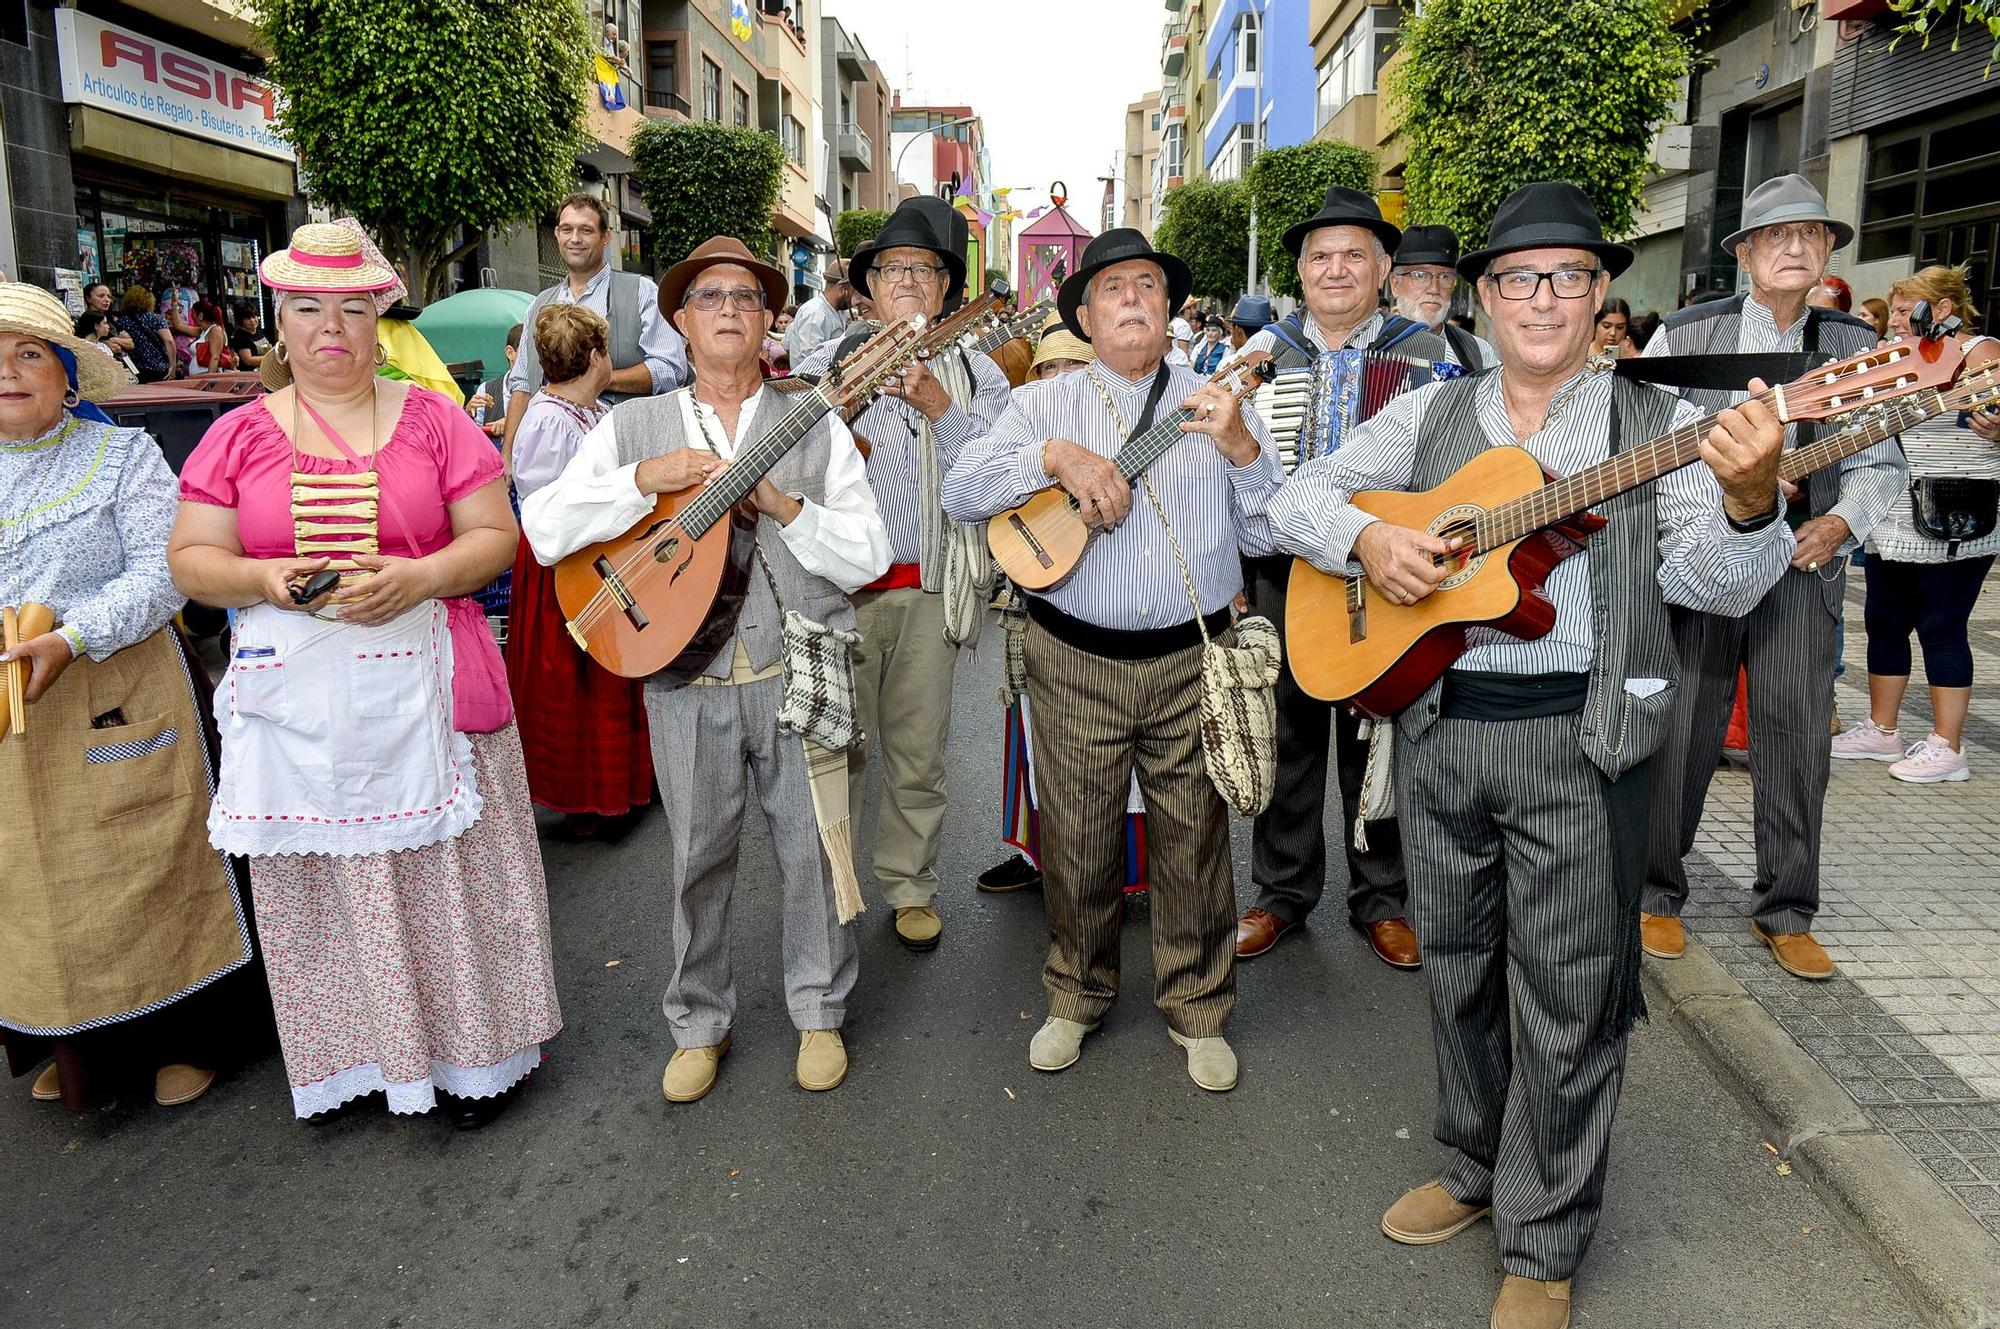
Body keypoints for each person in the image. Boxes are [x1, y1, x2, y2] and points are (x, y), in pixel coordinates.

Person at [1269, 181, 1793, 1329]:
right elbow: (1292, 496)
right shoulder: (1430, 413)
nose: (1540, 298)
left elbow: (1715, 586)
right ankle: (1470, 1164)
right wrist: (1371, 536)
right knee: (1456, 971)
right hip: (1439, 731)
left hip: (1581, 744)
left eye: (1565, 276)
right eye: (1516, 278)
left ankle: (1544, 1236)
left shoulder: (1656, 427)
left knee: (1566, 999)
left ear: (1601, 297)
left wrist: (1751, 502)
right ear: (1483, 297)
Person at [167, 223, 562, 1127]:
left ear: (379, 316)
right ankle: (359, 1060)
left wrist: (421, 575)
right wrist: (262, 578)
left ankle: (477, 1057)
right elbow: (191, 559)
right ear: (280, 317)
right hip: (297, 699)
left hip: (431, 676)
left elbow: (496, 535)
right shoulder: (235, 438)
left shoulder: (437, 420)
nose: (330, 327)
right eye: (307, 307)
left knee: (453, 876)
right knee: (325, 885)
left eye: (351, 307)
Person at [521, 235, 890, 1103]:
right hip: (684, 680)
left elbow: (869, 552)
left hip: (798, 672)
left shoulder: (815, 421)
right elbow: (545, 529)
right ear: (680, 322)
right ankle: (698, 1022)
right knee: (697, 859)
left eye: (747, 297)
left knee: (817, 852)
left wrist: (784, 503)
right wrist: (643, 480)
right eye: (709, 296)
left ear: (770, 321)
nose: (729, 307)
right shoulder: (630, 426)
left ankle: (819, 1011)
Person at [941, 228, 1284, 1093]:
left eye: (1147, 285)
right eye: (1112, 288)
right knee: (1079, 835)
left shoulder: (1221, 405)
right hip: (1073, 659)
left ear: (1169, 310)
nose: (1131, 298)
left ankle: (1199, 1006)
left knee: (1193, 844)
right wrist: (1052, 457)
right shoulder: (1042, 406)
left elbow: (1271, 529)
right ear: (1086, 315)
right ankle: (1078, 994)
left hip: (1189, 659)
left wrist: (1242, 448)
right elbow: (963, 489)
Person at [1639, 174, 1903, 982]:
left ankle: (1787, 909)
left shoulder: (1856, 343)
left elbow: (1883, 453)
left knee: (1795, 739)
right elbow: (1637, 437)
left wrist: (1843, 521)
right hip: (1705, 559)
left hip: (1801, 567)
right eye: (1776, 236)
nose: (1795, 248)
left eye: (1810, 235)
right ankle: (1654, 892)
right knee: (1681, 728)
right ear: (1745, 252)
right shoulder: (1685, 335)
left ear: (1827, 251)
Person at [0, 283, 251, 1111]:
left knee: (144, 867)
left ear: (67, 374)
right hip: (14, 716)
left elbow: (162, 570)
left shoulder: (123, 456)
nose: (9, 371)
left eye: (29, 353)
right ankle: (71, 1038)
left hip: (117, 686)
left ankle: (184, 1038)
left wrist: (71, 636)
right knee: (37, 885)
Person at [1233, 187, 1452, 971]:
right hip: (1281, 570)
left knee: (1380, 729)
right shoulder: (1260, 355)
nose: (1335, 269)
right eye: (1320, 255)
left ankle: (1382, 899)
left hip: (1387, 568)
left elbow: (1448, 465)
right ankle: (1281, 893)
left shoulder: (1428, 353)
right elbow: (1230, 471)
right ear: (1299, 269)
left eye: (1353, 254)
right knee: (1285, 734)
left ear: (1384, 268)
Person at [792, 197, 1012, 951]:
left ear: (948, 287)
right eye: (894, 270)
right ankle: (834, 890)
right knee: (837, 752)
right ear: (868, 286)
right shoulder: (823, 366)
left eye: (925, 270)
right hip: (837, 594)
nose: (910, 282)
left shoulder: (982, 373)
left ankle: (911, 885)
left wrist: (943, 409)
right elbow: (789, 470)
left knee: (919, 755)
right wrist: (839, 422)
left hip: (930, 590)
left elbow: (997, 477)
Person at [978, 313, 1151, 898]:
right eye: (1045, 366)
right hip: (1033, 610)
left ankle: (1130, 870)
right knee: (1034, 738)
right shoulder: (1032, 418)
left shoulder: (1125, 423)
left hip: (1120, 621)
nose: (1055, 375)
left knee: (1123, 761)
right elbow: (980, 491)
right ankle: (1038, 856)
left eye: (1068, 365)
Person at [1833, 265, 2000, 782]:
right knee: (1885, 621)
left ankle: (1949, 746)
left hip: (1957, 511)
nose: (1898, 320)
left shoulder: (1983, 353)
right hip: (1896, 509)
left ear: (1942, 309)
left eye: (1907, 310)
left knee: (1940, 626)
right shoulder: (1903, 355)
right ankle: (1883, 730)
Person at [504, 302, 653, 835]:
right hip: (561, 566)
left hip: (596, 557)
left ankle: (619, 789)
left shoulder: (589, 413)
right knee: (576, 681)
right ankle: (588, 800)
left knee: (609, 671)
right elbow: (548, 509)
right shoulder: (548, 421)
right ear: (595, 357)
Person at [502, 193, 688, 457]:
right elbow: (521, 383)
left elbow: (671, 369)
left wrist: (600, 379)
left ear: (606, 237)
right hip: (548, 456)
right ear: (556, 234)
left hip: (625, 454)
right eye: (567, 229)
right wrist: (508, 453)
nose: (575, 239)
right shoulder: (538, 306)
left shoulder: (641, 292)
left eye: (586, 230)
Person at [1390, 225, 1493, 369]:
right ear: (1395, 284)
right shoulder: (1367, 344)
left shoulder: (1479, 353)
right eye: (1420, 276)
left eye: (1445, 277)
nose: (1434, 289)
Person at [784, 260, 852, 362]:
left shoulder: (839, 311)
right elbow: (813, 358)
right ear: (842, 288)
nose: (856, 299)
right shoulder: (814, 313)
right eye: (853, 291)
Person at [469, 323, 523, 440]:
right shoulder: (486, 390)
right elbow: (476, 440)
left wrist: (513, 423)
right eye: (528, 352)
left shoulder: (543, 389)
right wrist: (468, 416)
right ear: (510, 353)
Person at [115, 286, 176, 383]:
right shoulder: (155, 318)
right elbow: (168, 340)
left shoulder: (122, 321)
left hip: (137, 369)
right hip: (159, 367)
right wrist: (173, 365)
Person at [83, 281, 135, 356]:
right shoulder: (87, 321)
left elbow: (131, 344)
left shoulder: (109, 319)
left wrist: (114, 340)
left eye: (109, 297)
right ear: (89, 299)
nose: (107, 300)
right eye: (101, 296)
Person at [186, 299, 234, 376]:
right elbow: (178, 325)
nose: (192, 316)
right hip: (198, 377)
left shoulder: (215, 330)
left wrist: (208, 381)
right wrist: (174, 302)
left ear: (200, 316)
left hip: (205, 380)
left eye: (193, 313)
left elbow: (215, 358)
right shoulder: (203, 331)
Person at [229, 304, 271, 369]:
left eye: (254, 317)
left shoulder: (259, 330)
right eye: (248, 318)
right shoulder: (241, 337)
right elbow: (248, 360)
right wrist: (271, 358)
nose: (252, 320)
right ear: (241, 320)